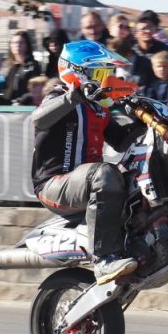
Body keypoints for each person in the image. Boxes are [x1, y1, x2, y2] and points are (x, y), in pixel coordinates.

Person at [30, 40, 140, 285]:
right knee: (105, 174)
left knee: (134, 175)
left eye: (108, 73)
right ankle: (103, 259)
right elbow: (37, 120)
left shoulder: (99, 108)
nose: (106, 79)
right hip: (54, 184)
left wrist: (145, 119)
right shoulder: (59, 96)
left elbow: (121, 141)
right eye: (99, 73)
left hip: (85, 182)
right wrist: (74, 96)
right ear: (78, 72)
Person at [0, 31, 42, 104]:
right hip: (6, 107)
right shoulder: (7, 66)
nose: (17, 45)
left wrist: (21, 101)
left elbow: (34, 90)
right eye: (14, 43)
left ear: (27, 45)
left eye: (21, 42)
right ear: (10, 45)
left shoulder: (33, 65)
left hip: (24, 107)